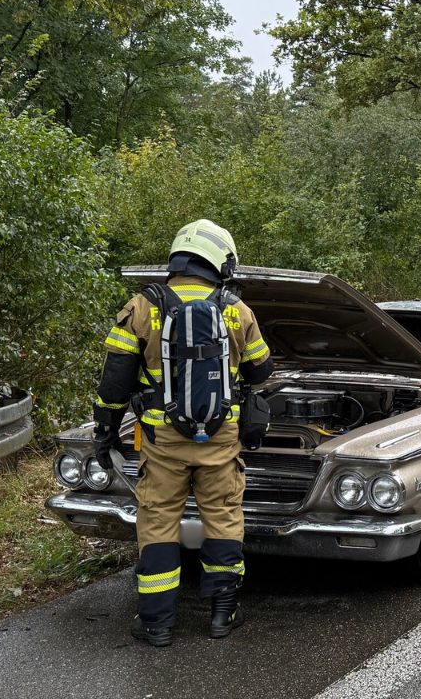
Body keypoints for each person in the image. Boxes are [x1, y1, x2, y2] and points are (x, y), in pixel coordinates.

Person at [94, 219, 274, 647]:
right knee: (224, 518)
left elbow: (114, 382)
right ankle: (222, 615)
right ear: (219, 259)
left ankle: (156, 623)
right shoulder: (236, 309)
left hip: (162, 442)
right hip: (221, 441)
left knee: (158, 522)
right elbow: (261, 370)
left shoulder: (142, 306)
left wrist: (104, 431)